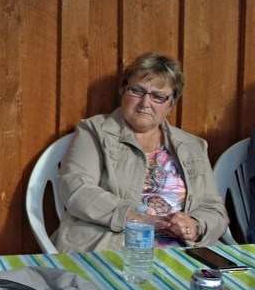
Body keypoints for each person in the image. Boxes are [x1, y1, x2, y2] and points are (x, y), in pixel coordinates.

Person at [53, 52, 228, 252]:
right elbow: (77, 190)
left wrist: (194, 226)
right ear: (123, 91)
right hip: (112, 245)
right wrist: (132, 216)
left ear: (171, 104)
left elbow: (214, 209)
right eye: (137, 91)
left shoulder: (192, 145)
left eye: (158, 96)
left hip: (181, 251)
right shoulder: (95, 131)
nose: (145, 103)